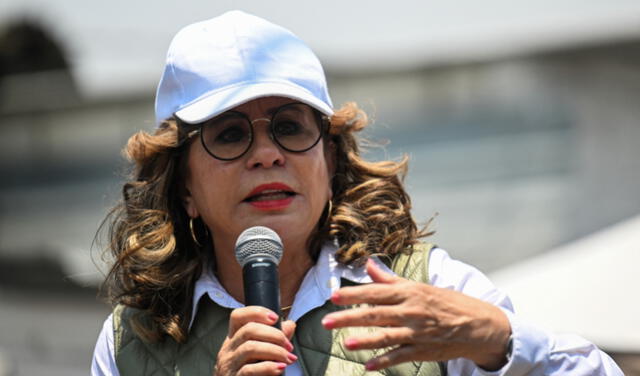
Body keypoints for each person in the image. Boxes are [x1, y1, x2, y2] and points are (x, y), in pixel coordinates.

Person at [91, 10, 623, 376]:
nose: (266, 154)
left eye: (291, 127)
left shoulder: (428, 287)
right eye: (229, 135)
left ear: (331, 159)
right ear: (183, 185)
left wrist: (499, 339)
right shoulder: (129, 343)